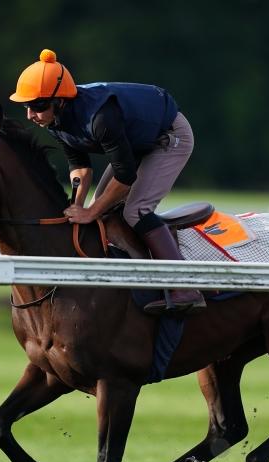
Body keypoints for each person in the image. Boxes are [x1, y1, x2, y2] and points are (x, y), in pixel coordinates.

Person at [10, 49, 205, 316]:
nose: (31, 114)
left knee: (134, 210)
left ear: (60, 101)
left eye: (39, 106)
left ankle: (186, 287)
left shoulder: (100, 118)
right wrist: (76, 208)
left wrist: (91, 211)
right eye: (27, 106)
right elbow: (80, 167)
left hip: (168, 137)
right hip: (136, 142)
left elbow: (125, 178)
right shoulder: (56, 121)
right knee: (97, 211)